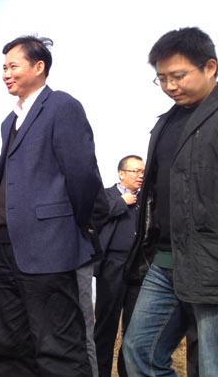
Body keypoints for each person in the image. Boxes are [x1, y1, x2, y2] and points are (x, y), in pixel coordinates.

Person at [0, 35, 102, 376]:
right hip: (7, 245)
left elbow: (83, 175)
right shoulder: (9, 121)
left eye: (13, 66)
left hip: (50, 244)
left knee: (57, 346)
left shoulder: (62, 106)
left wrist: (71, 226)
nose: (6, 74)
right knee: (11, 346)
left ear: (39, 67)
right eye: (3, 68)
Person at [123, 26, 218, 377]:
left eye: (178, 76)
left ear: (210, 67)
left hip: (212, 260)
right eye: (161, 79)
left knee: (211, 364)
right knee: (139, 351)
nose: (170, 86)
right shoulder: (164, 123)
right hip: (165, 258)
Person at [92, 155, 145, 377]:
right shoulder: (106, 195)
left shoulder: (146, 199)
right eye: (136, 171)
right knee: (106, 326)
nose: (141, 176)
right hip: (111, 267)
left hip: (138, 268)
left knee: (134, 329)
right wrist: (122, 203)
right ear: (121, 173)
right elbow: (94, 220)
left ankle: (128, 372)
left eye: (143, 171)